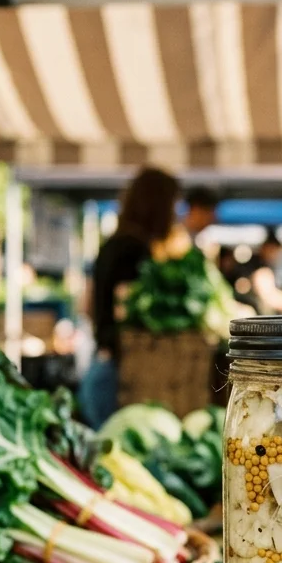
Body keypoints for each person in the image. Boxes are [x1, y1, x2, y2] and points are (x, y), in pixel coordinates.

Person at [80, 166, 179, 428]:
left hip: (102, 365)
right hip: (117, 375)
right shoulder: (133, 250)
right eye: (172, 205)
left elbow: (87, 306)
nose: (174, 214)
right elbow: (126, 310)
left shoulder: (114, 244)